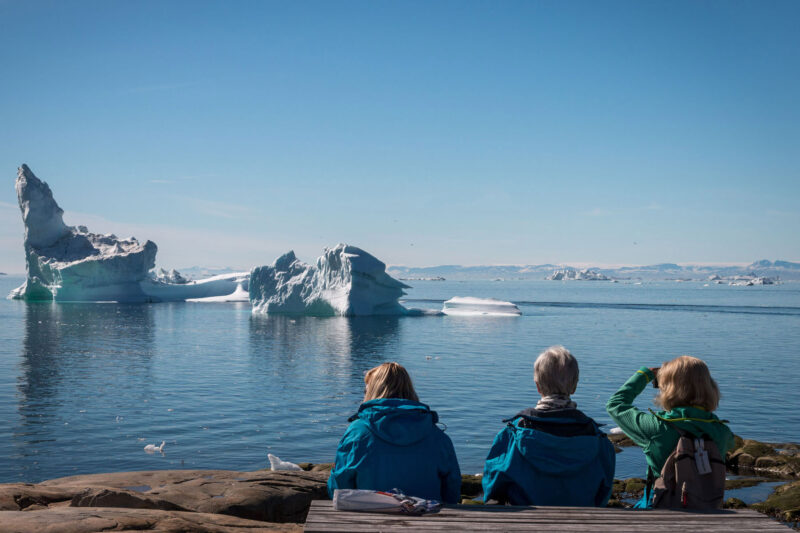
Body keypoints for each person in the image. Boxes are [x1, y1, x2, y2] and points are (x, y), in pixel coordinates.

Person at [482, 346, 615, 506]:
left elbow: (493, 487)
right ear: (574, 386)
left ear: (538, 386)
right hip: (581, 523)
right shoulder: (598, 440)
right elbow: (603, 494)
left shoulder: (512, 435)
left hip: (525, 524)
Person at [606, 355, 734, 507]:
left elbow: (615, 405)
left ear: (667, 388)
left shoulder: (655, 427)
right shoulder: (723, 432)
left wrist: (645, 374)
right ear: (709, 387)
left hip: (660, 507)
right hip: (708, 508)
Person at [327, 362, 461, 503]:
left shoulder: (357, 432)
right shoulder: (436, 435)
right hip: (426, 516)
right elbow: (452, 487)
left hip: (368, 516)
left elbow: (339, 487)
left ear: (372, 391)